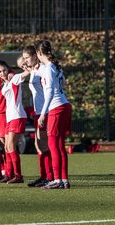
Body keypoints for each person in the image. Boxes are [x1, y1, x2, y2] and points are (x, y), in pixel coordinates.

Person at [35, 40, 72, 189]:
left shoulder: (50, 68)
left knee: (52, 144)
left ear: (38, 53)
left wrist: (43, 113)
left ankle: (57, 179)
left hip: (56, 107)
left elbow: (50, 91)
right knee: (59, 145)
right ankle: (63, 179)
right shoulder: (54, 67)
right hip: (64, 105)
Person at [23, 45, 53, 187]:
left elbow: (49, 89)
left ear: (35, 56)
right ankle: (44, 175)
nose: (25, 60)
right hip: (37, 112)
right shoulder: (35, 70)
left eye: (27, 57)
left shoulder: (43, 69)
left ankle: (49, 176)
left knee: (44, 144)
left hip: (44, 112)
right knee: (38, 144)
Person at [0, 56, 30, 184]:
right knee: (6, 146)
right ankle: (8, 174)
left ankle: (18, 175)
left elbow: (26, 73)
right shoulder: (5, 84)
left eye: (4, 70)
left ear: (8, 70)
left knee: (11, 145)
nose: (2, 73)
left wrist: (26, 66)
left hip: (17, 116)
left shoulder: (15, 79)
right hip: (9, 117)